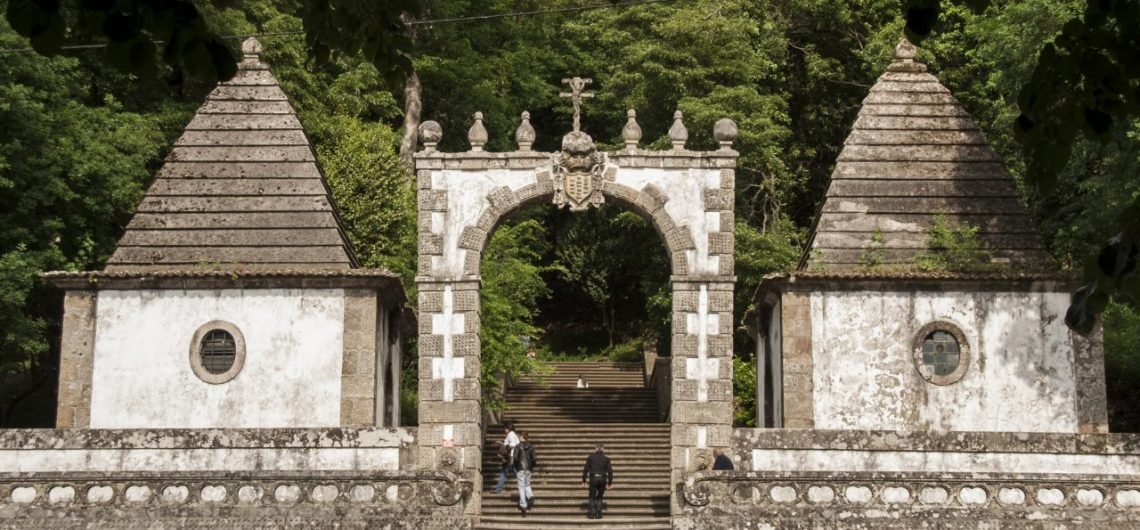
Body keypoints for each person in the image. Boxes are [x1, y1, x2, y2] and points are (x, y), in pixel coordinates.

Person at [581, 443, 613, 519]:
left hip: (593, 478)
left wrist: (584, 480)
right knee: (600, 496)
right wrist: (610, 483)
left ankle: (592, 512)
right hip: (603, 478)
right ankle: (598, 513)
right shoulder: (606, 459)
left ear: (595, 449)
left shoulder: (590, 457)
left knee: (592, 495)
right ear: (603, 449)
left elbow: (586, 469)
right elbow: (610, 471)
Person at [513, 431, 537, 515]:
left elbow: (515, 458)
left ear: (522, 437)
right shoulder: (532, 446)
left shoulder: (518, 446)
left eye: (519, 436)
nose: (519, 438)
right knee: (527, 484)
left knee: (521, 486)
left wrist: (515, 467)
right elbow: (534, 459)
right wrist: (531, 467)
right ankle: (530, 495)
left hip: (520, 468)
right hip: (529, 468)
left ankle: (523, 505)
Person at [492, 421, 520, 494]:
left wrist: (504, 447)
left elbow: (512, 445)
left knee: (516, 474)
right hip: (510, 457)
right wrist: (501, 443)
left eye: (505, 428)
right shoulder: (513, 434)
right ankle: (498, 489)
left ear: (508, 428)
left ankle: (525, 487)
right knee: (504, 473)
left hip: (510, 457)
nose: (504, 430)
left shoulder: (510, 434)